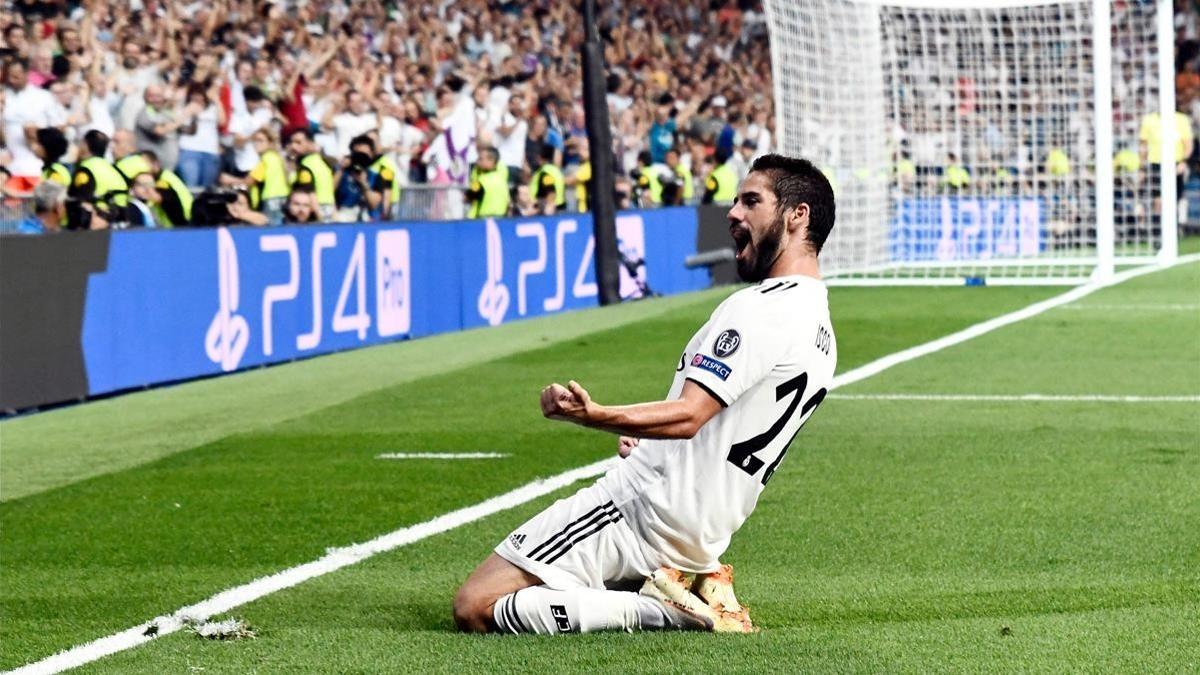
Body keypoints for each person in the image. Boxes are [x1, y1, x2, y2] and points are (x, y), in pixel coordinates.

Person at [453, 154, 838, 635]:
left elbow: (690, 416)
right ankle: (683, 581)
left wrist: (593, 415)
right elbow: (730, 427)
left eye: (752, 201)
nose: (734, 212)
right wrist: (651, 442)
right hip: (702, 534)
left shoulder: (760, 309)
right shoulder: (822, 329)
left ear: (796, 215)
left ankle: (667, 608)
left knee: (477, 604)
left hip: (641, 510)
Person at [69, 130, 130, 224]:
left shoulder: (85, 170)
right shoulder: (114, 169)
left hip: (98, 224)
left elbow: (79, 201)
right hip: (121, 222)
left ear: (85, 145)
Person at [286, 127, 335, 221]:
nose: (293, 146)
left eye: (298, 143)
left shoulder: (306, 164)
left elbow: (310, 192)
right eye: (291, 142)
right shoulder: (323, 163)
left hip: (316, 210)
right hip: (329, 209)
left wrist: (319, 218)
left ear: (310, 144)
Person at [467, 145, 511, 218]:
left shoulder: (480, 181)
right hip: (501, 220)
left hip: (481, 221)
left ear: (491, 160)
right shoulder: (502, 179)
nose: (477, 161)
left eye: (480, 159)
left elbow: (469, 198)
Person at [528, 143, 565, 215]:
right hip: (559, 208)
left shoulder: (545, 172)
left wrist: (547, 210)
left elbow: (551, 192)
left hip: (549, 211)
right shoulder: (556, 170)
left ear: (539, 157)